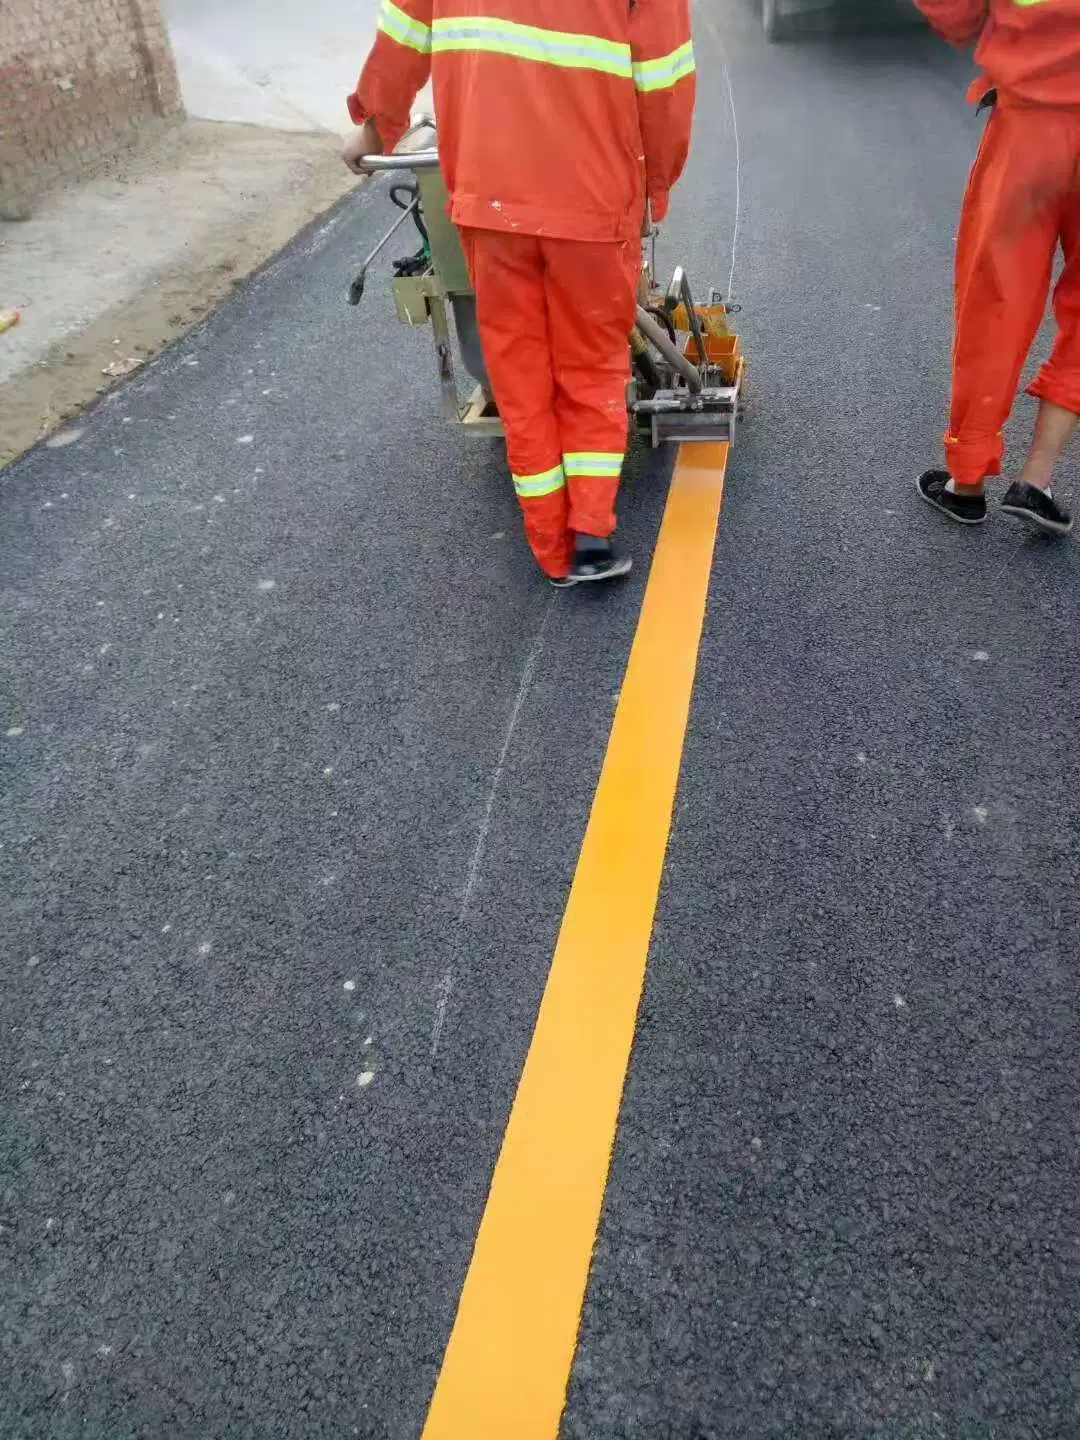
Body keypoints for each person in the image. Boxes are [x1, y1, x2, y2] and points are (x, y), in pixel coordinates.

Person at [343, 0, 696, 584]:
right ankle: (590, 539)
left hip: (490, 196)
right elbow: (664, 80)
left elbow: (404, 33)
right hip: (592, 199)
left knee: (519, 372)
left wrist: (377, 124)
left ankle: (551, 551)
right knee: (589, 365)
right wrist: (653, 186)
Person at [916, 0, 1080, 538]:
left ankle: (967, 483)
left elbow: (953, 14)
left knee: (996, 304)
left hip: (1028, 131)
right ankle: (1038, 479)